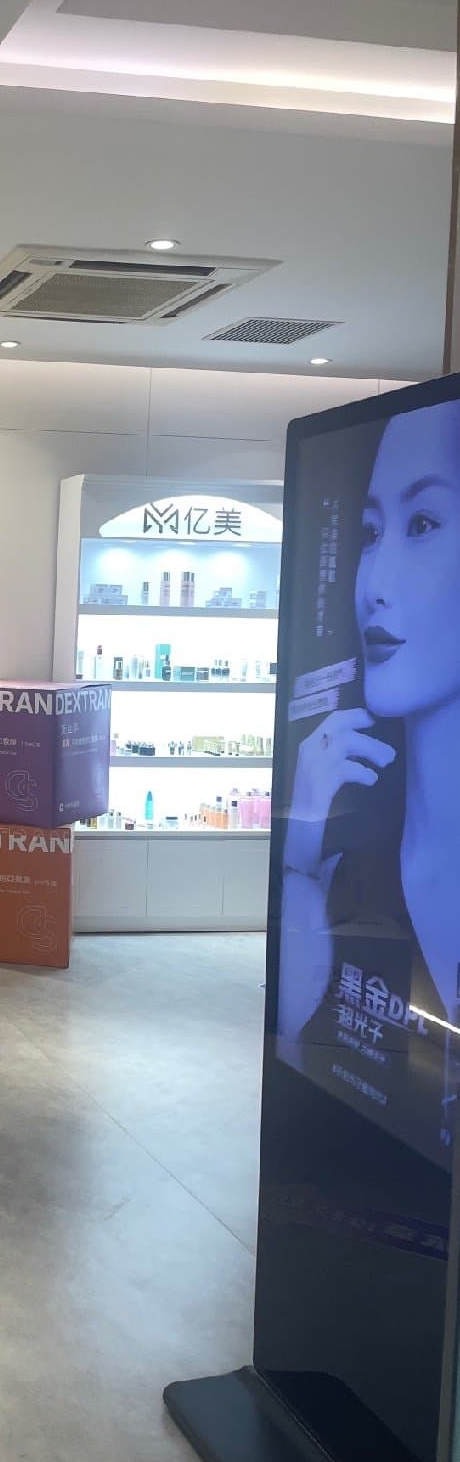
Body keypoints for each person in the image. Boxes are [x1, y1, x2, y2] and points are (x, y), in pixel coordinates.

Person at [278, 400, 460, 1158]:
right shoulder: (351, 860)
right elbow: (296, 1048)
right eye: (370, 534)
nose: (374, 583)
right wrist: (301, 843)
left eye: (424, 524)